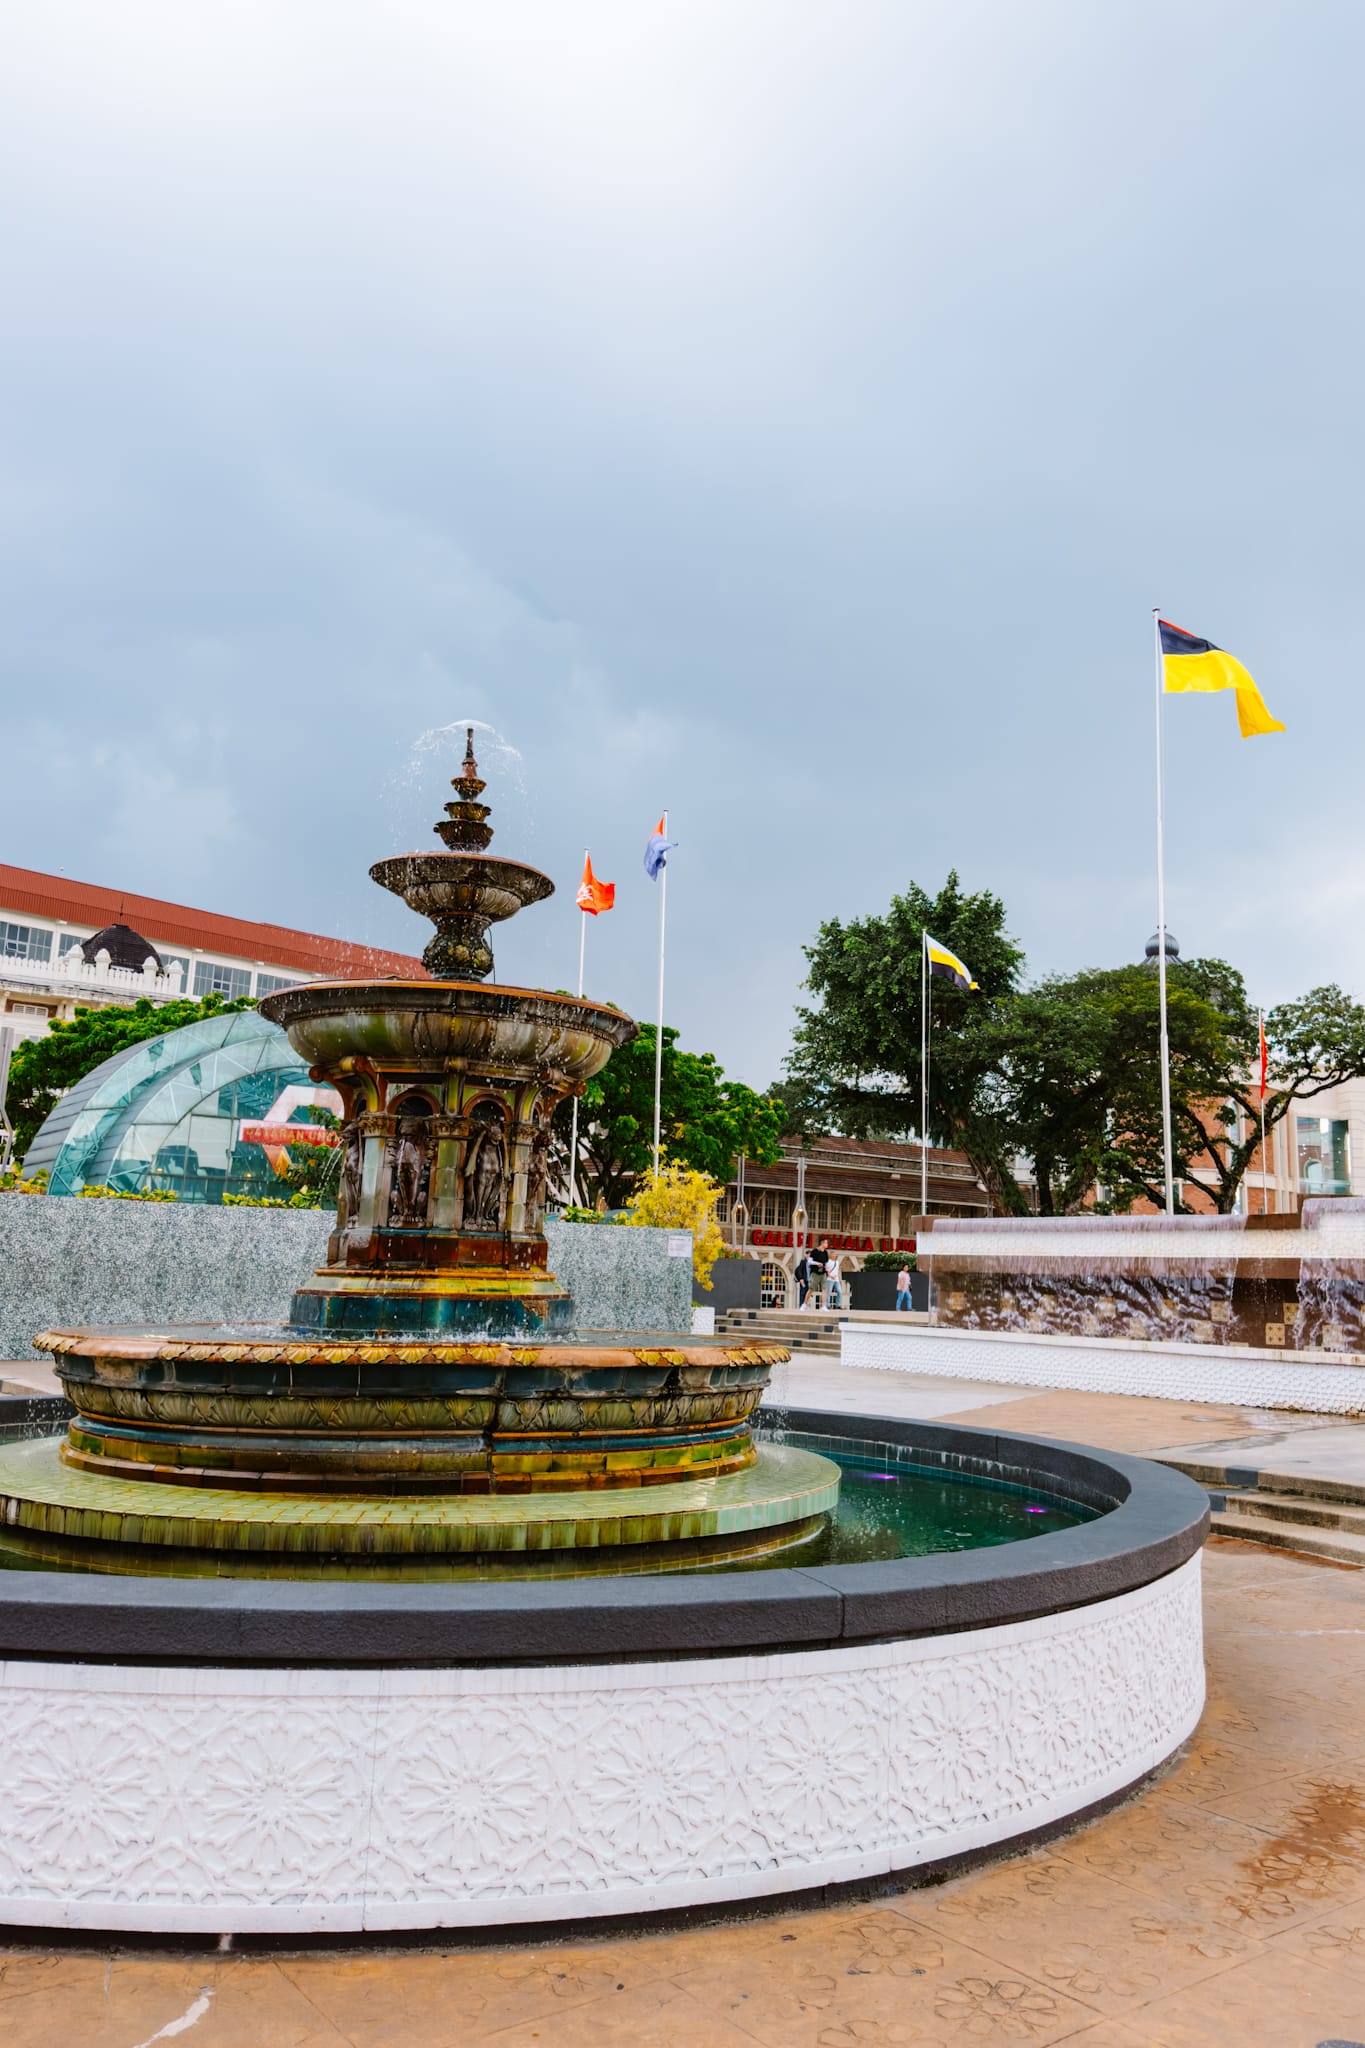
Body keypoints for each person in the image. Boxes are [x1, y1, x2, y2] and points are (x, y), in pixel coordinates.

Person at [808, 1241, 829, 1310]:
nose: (827, 1244)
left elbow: (826, 1262)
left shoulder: (825, 1252)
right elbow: (809, 1261)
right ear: (822, 1243)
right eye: (826, 1243)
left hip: (823, 1273)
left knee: (824, 1289)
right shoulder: (815, 1251)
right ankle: (804, 1304)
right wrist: (817, 1263)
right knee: (811, 1290)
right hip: (815, 1273)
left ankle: (823, 1306)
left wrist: (826, 1268)